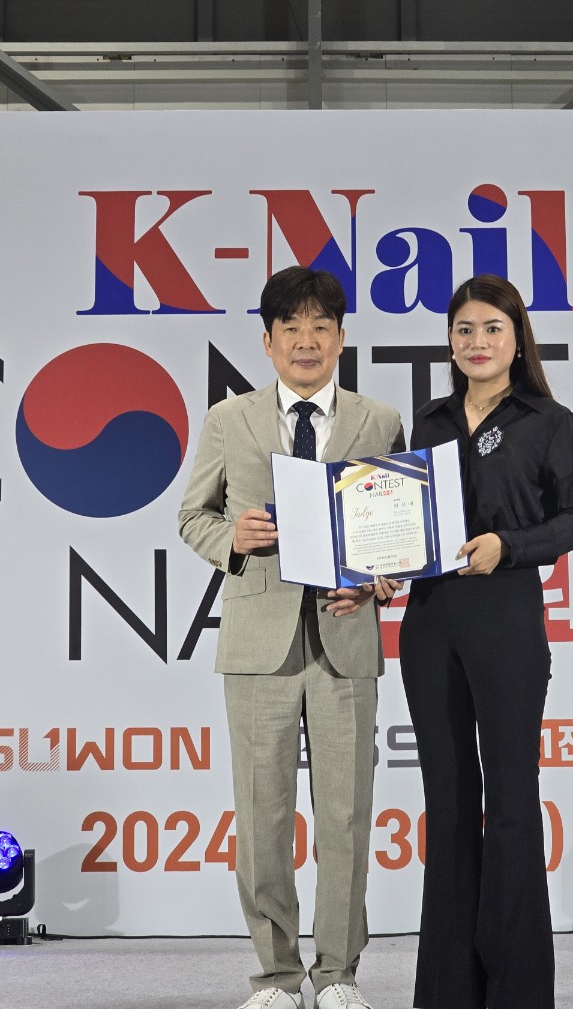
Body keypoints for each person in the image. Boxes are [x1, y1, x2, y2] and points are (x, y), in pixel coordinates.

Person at [179, 266, 404, 1009]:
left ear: (341, 339)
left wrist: (380, 580)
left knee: (346, 817)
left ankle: (338, 975)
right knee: (262, 817)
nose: (306, 341)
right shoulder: (229, 419)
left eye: (320, 328)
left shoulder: (379, 421)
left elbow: (396, 536)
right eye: (291, 328)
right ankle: (275, 977)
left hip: (346, 638)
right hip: (258, 643)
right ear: (268, 342)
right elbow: (193, 516)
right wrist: (233, 540)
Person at [399, 275, 573, 1009]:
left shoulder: (548, 420)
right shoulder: (430, 420)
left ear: (517, 340)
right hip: (430, 621)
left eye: (491, 329)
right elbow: (408, 520)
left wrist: (508, 546)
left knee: (512, 797)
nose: (476, 342)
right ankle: (448, 989)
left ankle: (518, 990)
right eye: (464, 330)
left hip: (507, 614)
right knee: (448, 800)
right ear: (449, 342)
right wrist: (383, 565)